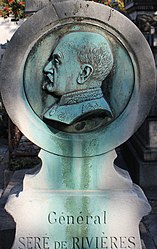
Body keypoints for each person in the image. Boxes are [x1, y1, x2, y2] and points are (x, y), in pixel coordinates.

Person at [42, 31, 114, 132]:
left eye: (57, 61)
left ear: (84, 73)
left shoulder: (96, 113)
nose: (47, 68)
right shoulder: (64, 106)